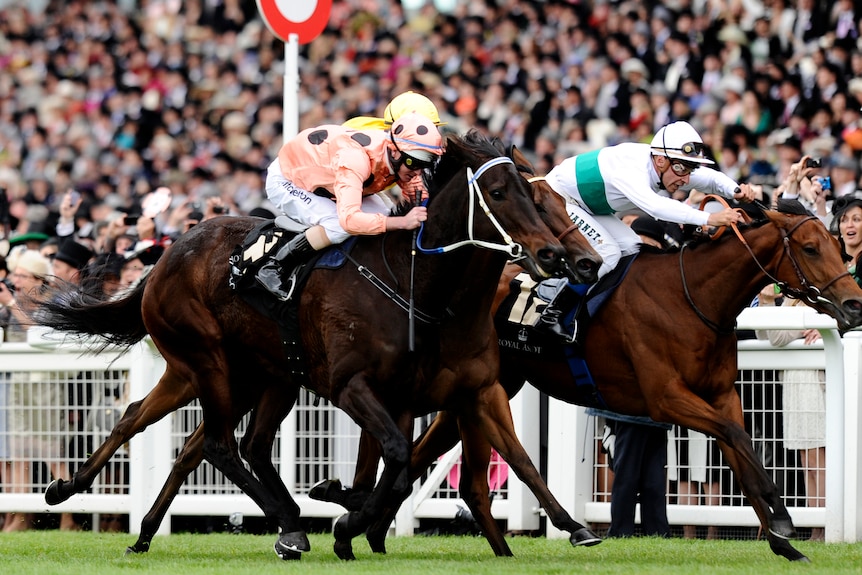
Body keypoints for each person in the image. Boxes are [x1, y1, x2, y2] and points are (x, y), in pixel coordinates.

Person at [538, 120, 755, 341]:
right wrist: (710, 217)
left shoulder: (666, 163)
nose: (686, 178)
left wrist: (735, 190)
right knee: (610, 253)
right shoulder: (633, 169)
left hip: (588, 205)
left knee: (633, 249)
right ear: (660, 161)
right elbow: (657, 207)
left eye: (690, 169)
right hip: (559, 198)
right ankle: (553, 314)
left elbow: (708, 177)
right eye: (681, 168)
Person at [256, 112, 443, 300]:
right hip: (289, 179)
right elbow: (350, 221)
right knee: (338, 225)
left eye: (425, 164)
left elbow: (420, 197)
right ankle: (275, 266)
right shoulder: (355, 160)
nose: (418, 171)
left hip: (333, 181)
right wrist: (402, 222)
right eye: (414, 163)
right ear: (394, 151)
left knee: (386, 215)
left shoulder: (403, 158)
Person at [0, 250, 77, 531]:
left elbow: (37, 331)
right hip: (19, 386)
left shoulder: (51, 304)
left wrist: (10, 303)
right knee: (19, 453)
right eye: (15, 273)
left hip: (45, 387)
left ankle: (68, 518)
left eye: (22, 275)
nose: (15, 279)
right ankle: (20, 518)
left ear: (38, 280)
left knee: (53, 454)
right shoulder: (12, 303)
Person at [756, 284, 825, 542]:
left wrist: (767, 304)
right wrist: (765, 301)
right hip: (794, 382)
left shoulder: (814, 297)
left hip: (812, 382)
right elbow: (766, 335)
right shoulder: (791, 300)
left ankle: (823, 526)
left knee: (817, 460)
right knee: (807, 462)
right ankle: (817, 527)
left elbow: (779, 337)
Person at [588, 407, 672, 538]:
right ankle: (655, 531)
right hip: (648, 414)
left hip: (639, 414)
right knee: (646, 478)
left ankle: (622, 532)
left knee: (634, 477)